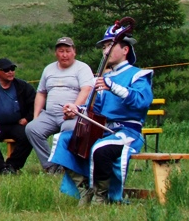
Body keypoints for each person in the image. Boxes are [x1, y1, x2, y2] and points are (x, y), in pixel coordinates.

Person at [50, 24, 153, 204]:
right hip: (102, 130)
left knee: (101, 149)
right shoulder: (103, 79)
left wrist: (111, 86)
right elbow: (94, 109)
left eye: (110, 46)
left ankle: (102, 196)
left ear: (125, 50)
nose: (105, 51)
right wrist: (76, 110)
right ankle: (84, 189)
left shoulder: (138, 75)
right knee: (63, 140)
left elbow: (141, 101)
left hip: (126, 132)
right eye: (104, 47)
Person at [24, 37, 94, 173]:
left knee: (69, 130)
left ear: (74, 52)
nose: (64, 55)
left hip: (73, 115)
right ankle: (50, 165)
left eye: (68, 51)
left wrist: (75, 107)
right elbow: (41, 93)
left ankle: (65, 165)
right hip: (50, 114)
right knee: (32, 128)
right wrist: (36, 115)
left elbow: (87, 89)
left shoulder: (82, 68)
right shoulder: (49, 69)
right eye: (61, 51)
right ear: (56, 53)